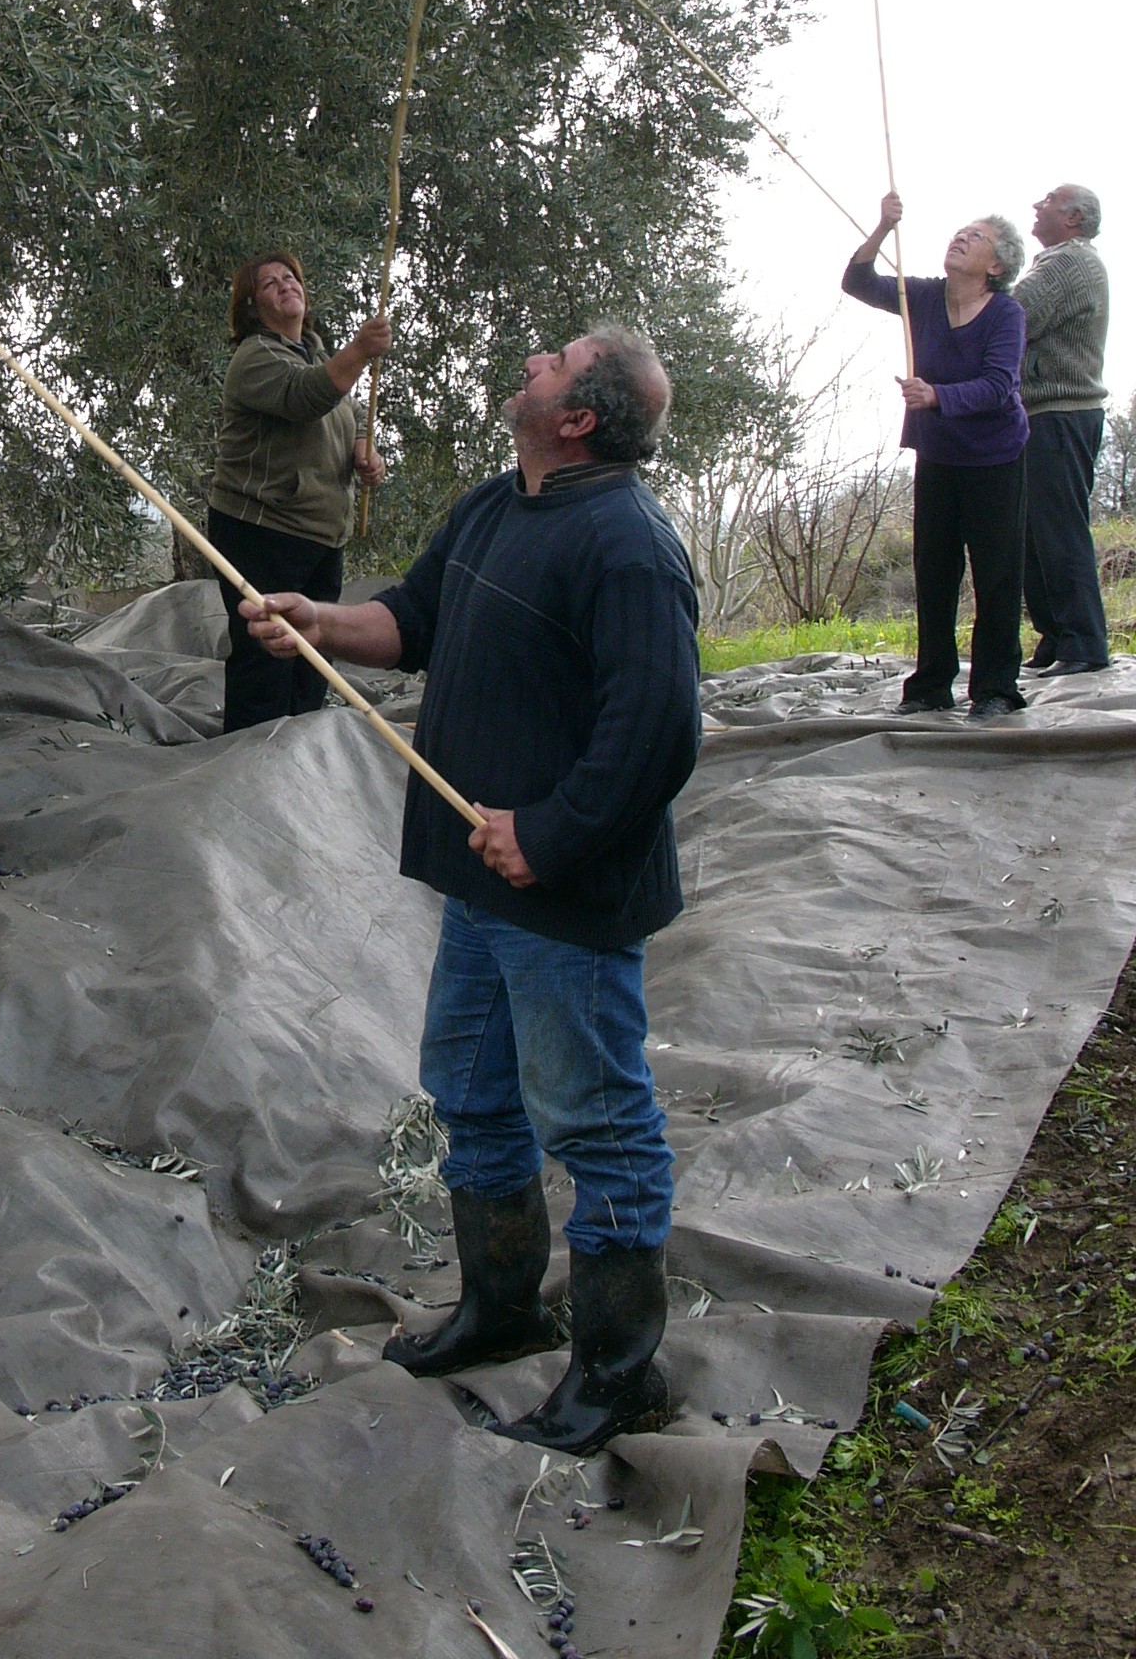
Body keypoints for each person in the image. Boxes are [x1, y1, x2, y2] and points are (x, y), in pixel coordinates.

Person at [243, 325, 698, 1455]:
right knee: (474, 1094)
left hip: (564, 901)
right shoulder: (503, 505)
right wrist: (320, 625)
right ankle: (501, 1309)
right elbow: (416, 617)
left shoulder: (630, 545)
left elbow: (658, 732)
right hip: (482, 889)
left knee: (596, 1120)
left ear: (580, 415)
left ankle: (617, 1368)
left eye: (555, 361)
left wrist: (545, 835)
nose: (531, 360)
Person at [842, 195, 1029, 719]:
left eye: (976, 237)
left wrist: (937, 396)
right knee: (935, 570)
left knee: (995, 575)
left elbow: (999, 385)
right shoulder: (921, 295)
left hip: (995, 458)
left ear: (995, 266)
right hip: (939, 454)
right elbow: (856, 282)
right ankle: (929, 686)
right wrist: (882, 226)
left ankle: (995, 688)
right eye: (960, 232)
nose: (960, 238)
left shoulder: (1006, 314)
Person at [205, 251, 389, 733]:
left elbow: (343, 414)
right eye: (269, 284)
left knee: (313, 654)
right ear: (251, 307)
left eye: (291, 278)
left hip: (320, 535)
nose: (286, 285)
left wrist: (364, 450)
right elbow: (305, 397)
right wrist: (360, 351)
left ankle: (300, 760)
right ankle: (249, 761)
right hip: (262, 529)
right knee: (267, 655)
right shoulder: (255, 358)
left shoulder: (316, 354)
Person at [1017, 184, 1111, 677]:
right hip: (1045, 411)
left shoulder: (1069, 263)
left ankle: (1084, 643)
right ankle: (1056, 636)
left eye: (1049, 200)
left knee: (1058, 530)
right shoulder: (1057, 260)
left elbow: (1016, 314)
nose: (1037, 205)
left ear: (1073, 218)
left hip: (1061, 410)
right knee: (1033, 534)